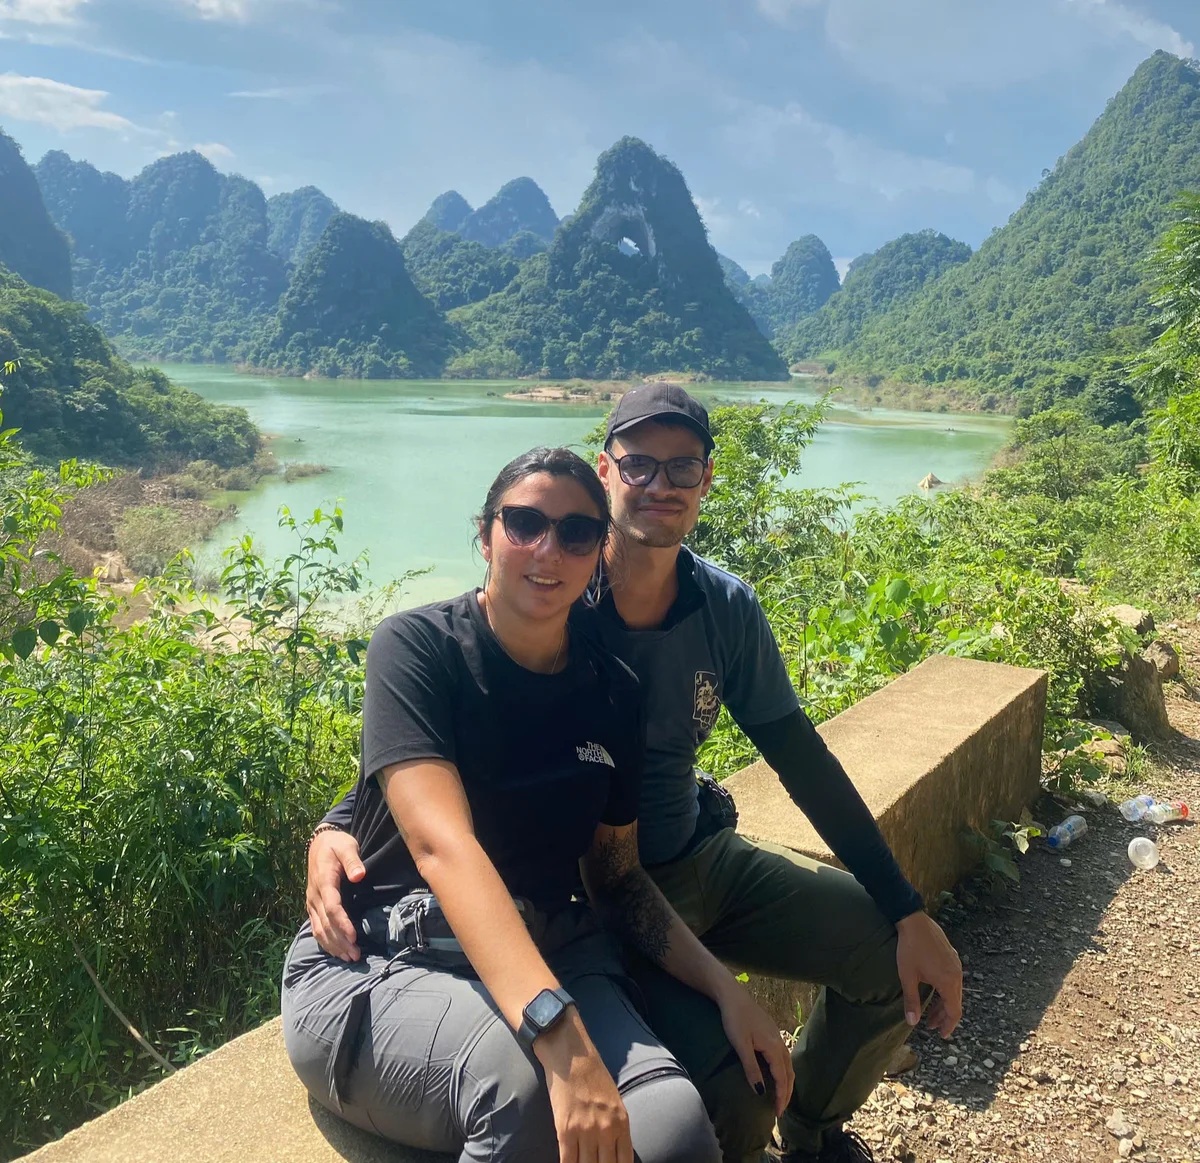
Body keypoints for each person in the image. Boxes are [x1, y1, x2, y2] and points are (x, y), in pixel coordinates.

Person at [308, 388, 964, 1163]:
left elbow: (802, 759)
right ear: (607, 471)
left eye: (682, 466)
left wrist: (906, 907)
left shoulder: (715, 613)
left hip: (689, 857)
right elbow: (448, 729)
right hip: (601, 895)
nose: (660, 483)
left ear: (707, 479)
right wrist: (339, 823)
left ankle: (814, 1133)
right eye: (639, 464)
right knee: (730, 1099)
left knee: (887, 950)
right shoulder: (557, 601)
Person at [282, 446, 793, 1163]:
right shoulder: (418, 649)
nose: (547, 549)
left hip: (555, 949)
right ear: (486, 535)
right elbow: (442, 845)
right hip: (383, 954)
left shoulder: (612, 691)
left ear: (599, 551)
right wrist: (562, 1039)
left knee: (676, 1131)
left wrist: (723, 988)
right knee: (524, 1095)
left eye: (577, 533)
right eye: (524, 523)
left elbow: (617, 878)